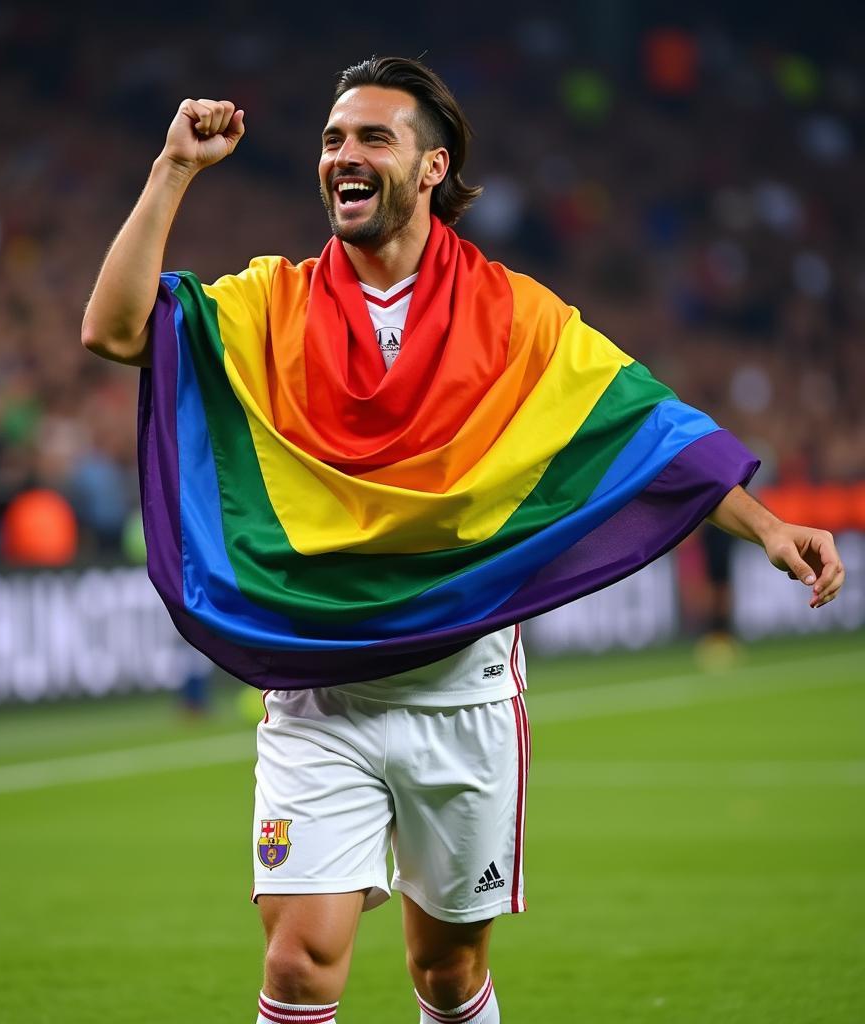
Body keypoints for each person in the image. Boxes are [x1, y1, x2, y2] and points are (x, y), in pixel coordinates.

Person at [81, 57, 845, 1024]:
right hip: (321, 687)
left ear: (432, 167)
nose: (342, 157)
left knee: (444, 972)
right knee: (301, 964)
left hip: (463, 690)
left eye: (371, 139)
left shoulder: (512, 313)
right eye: (330, 139)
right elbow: (112, 331)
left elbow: (645, 431)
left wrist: (770, 526)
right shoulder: (267, 302)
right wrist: (172, 170)